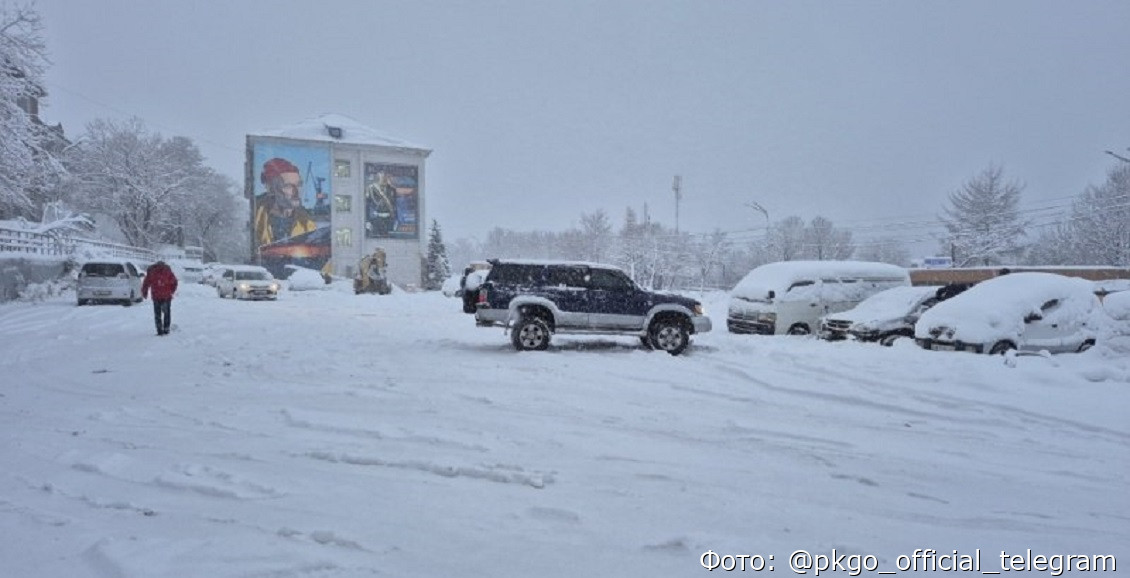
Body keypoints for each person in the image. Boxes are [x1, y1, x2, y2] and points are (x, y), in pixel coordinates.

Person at [254, 157, 317, 246]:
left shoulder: (307, 224)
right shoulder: (254, 217)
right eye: (288, 186)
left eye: (299, 185)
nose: (297, 192)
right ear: (270, 189)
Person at [141, 260, 178, 336]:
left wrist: (145, 292)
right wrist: (172, 291)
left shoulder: (152, 271)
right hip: (166, 296)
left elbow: (146, 283)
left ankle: (159, 330)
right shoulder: (167, 271)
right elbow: (174, 282)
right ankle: (166, 329)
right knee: (167, 313)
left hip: (156, 295)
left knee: (157, 314)